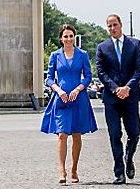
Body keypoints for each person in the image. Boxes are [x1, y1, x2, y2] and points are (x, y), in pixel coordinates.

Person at [41, 24, 98, 185]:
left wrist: (78, 89)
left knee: (77, 134)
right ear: (61, 39)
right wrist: (58, 90)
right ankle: (62, 170)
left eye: (71, 36)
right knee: (62, 134)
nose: (68, 39)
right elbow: (49, 78)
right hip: (61, 99)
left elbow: (88, 77)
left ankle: (73, 169)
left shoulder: (83, 55)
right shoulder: (54, 55)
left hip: (78, 98)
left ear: (75, 37)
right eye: (65, 36)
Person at [95, 13, 140, 185]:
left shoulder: (135, 44)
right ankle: (119, 172)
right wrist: (116, 88)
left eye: (115, 25)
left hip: (131, 96)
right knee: (114, 134)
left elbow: (139, 69)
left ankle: (129, 157)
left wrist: (127, 87)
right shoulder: (102, 47)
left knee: (135, 133)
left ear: (121, 25)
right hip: (112, 98)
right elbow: (101, 72)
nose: (112, 28)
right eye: (109, 26)